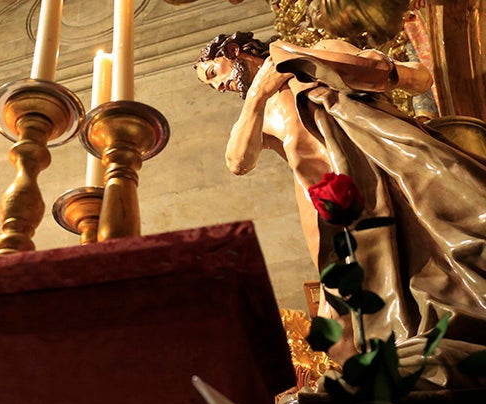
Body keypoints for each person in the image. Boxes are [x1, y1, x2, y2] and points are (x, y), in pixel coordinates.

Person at [195, 32, 486, 385]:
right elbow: (237, 161)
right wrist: (257, 96)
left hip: (385, 167)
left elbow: (417, 77)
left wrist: (332, 64)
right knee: (355, 317)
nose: (219, 86)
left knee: (455, 243)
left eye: (214, 73)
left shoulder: (313, 55)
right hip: (335, 210)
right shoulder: (260, 110)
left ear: (233, 51)